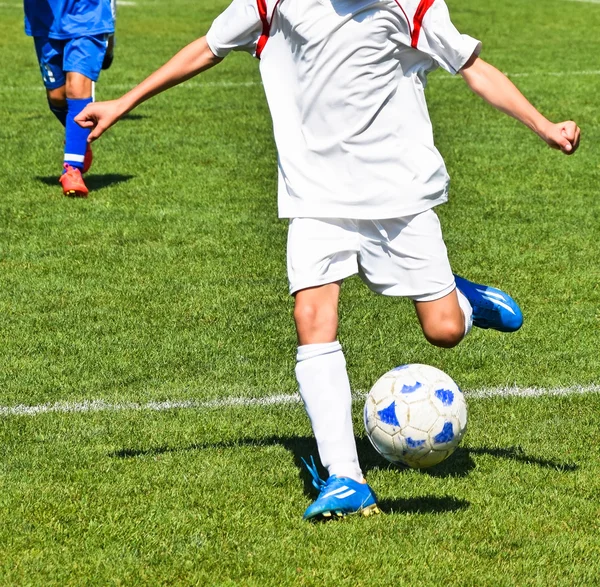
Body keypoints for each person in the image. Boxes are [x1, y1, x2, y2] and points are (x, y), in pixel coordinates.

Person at [75, 0, 580, 520]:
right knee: (312, 317)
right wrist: (123, 102)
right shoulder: (272, 3)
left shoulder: (411, 6)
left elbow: (473, 69)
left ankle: (463, 301)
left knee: (444, 331)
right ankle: (346, 476)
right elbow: (207, 48)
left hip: (399, 194)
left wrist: (542, 125)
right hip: (315, 194)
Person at [24, 0, 115, 197]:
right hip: (44, 18)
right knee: (57, 97)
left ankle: (72, 170)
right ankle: (80, 140)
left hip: (87, 14)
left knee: (76, 88)